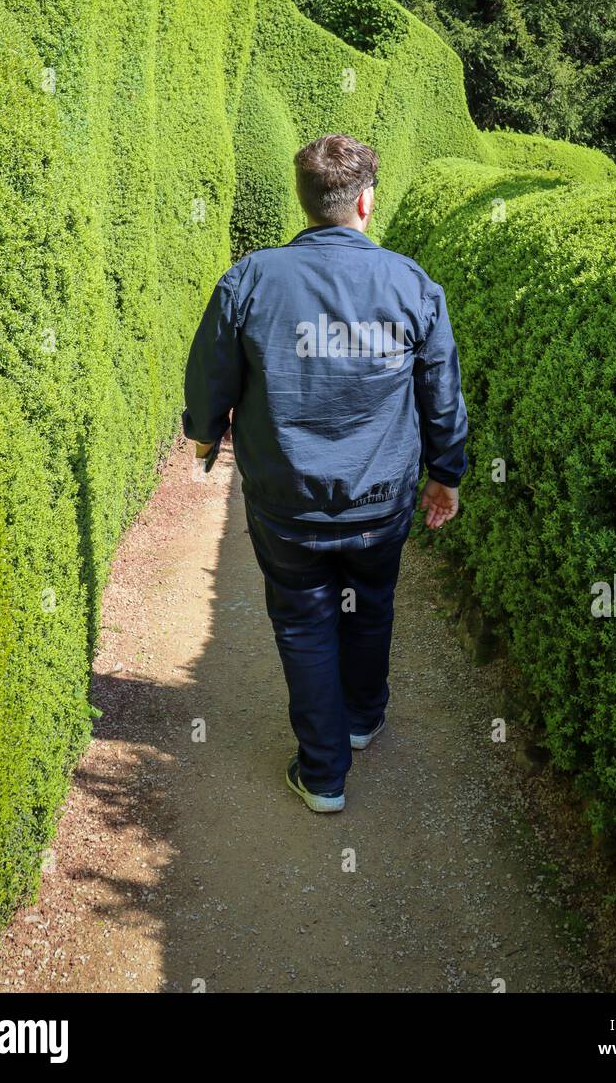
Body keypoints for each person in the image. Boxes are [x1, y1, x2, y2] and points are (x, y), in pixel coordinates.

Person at [183, 134, 468, 813]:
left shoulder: (249, 279)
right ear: (365, 200)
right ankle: (363, 719)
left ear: (305, 200)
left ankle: (323, 775)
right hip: (381, 501)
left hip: (287, 505)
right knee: (370, 607)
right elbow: (442, 392)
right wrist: (445, 474)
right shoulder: (410, 283)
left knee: (306, 622)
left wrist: (203, 439)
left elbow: (210, 379)